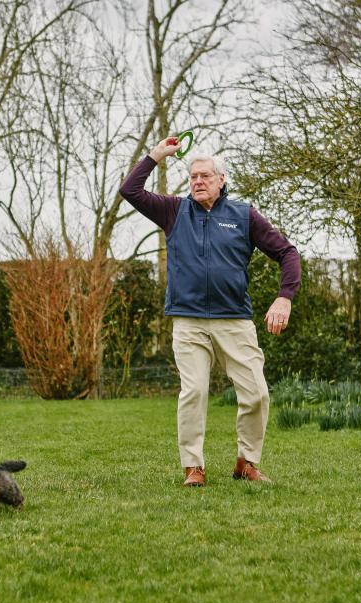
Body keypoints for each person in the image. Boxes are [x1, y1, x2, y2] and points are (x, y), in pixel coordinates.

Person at [119, 135, 301, 487]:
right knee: (194, 392)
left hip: (234, 320)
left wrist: (285, 296)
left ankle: (247, 463)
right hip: (188, 322)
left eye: (205, 176)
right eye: (193, 177)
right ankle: (193, 467)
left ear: (222, 180)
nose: (198, 182)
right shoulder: (174, 210)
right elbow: (130, 190)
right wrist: (156, 155)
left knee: (256, 393)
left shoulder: (243, 215)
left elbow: (288, 253)